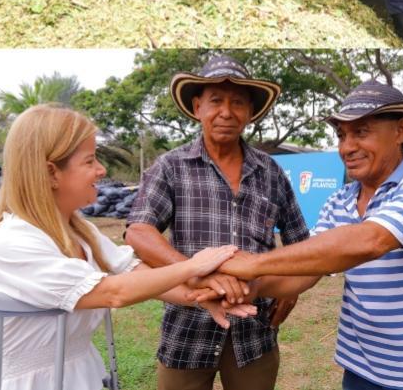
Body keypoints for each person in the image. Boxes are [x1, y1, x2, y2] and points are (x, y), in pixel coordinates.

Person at [215, 80, 403, 390]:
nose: (347, 147)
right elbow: (310, 267)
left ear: (401, 130)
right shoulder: (340, 200)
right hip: (361, 370)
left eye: (361, 132)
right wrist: (242, 288)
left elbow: (370, 241)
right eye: (342, 135)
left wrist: (252, 265)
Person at [0, 104, 257, 390]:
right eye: (89, 161)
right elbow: (114, 291)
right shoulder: (7, 244)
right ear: (50, 173)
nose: (102, 170)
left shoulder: (82, 232)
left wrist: (196, 296)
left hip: (81, 373)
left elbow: (133, 270)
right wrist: (194, 265)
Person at [125, 55, 310, 390]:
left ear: (250, 112)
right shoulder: (171, 166)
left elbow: (301, 243)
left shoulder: (271, 171)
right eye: (216, 101)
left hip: (255, 333)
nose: (226, 112)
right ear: (198, 107)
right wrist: (195, 271)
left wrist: (290, 288)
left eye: (238, 102)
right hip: (187, 331)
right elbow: (138, 231)